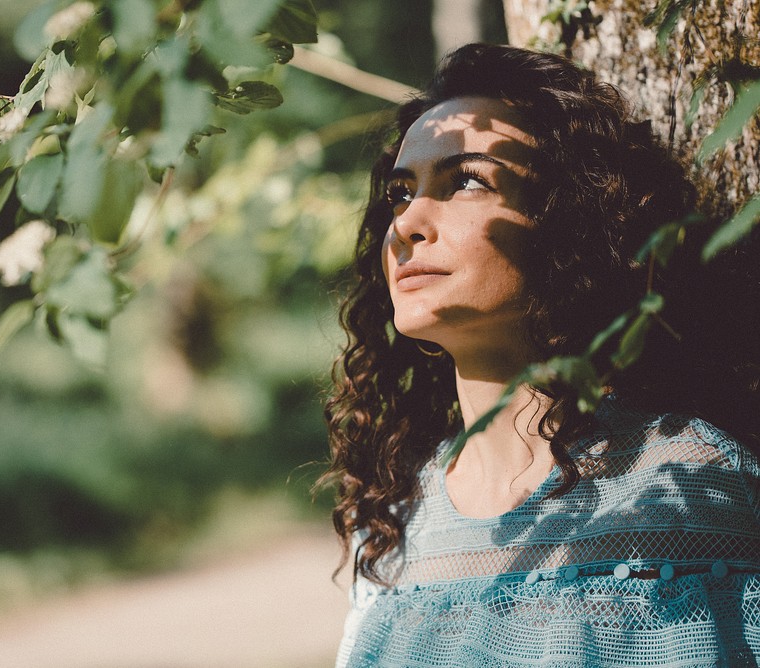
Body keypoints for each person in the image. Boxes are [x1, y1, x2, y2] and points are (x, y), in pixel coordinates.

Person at [323, 43, 760, 667]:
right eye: (399, 192)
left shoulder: (691, 494)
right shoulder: (394, 526)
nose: (408, 221)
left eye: (467, 181)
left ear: (569, 218)